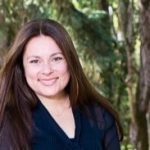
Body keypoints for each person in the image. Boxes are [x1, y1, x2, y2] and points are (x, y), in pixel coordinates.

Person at [0, 19, 123, 150]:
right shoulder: (8, 121)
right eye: (35, 61)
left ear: (70, 62)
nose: (47, 70)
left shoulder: (99, 116)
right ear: (21, 67)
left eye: (56, 58)